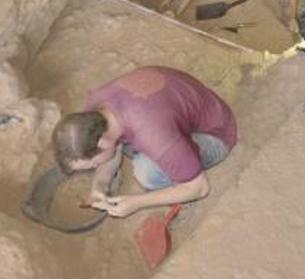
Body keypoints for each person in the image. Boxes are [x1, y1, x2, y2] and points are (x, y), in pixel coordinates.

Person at [51, 66, 237, 217]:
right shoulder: (95, 109)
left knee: (146, 172)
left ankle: (179, 190)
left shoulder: (155, 135)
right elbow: (112, 148)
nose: (94, 167)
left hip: (215, 133)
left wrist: (136, 203)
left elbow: (199, 188)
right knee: (130, 149)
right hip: (178, 105)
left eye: (92, 165)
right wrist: (100, 184)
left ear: (103, 143)